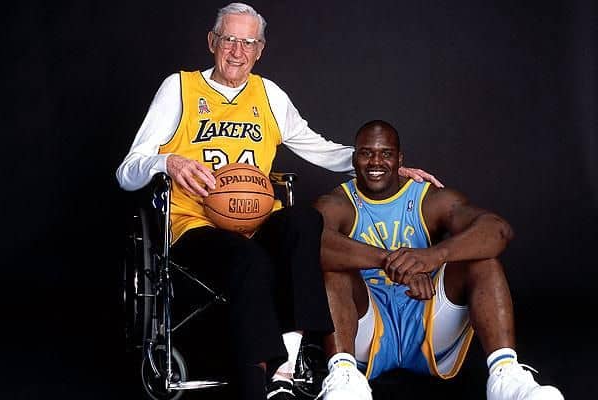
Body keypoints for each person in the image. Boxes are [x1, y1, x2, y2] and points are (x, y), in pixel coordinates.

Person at [115, 4, 440, 400]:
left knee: (304, 221)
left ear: (260, 49)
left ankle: (284, 372)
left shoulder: (269, 95)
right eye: (229, 39)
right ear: (212, 42)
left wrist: (379, 167)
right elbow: (127, 171)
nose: (237, 51)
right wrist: (168, 160)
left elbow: (319, 149)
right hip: (196, 225)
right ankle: (256, 386)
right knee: (248, 259)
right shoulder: (179, 88)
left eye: (248, 42)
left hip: (256, 220)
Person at [313, 120, 564, 400]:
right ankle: (344, 378)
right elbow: (310, 245)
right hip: (364, 332)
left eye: (386, 153)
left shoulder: (428, 199)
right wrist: (395, 263)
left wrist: (433, 257)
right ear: (354, 157)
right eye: (366, 152)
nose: (376, 161)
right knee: (333, 268)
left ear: (400, 159)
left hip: (430, 328)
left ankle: (505, 376)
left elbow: (498, 230)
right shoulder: (337, 202)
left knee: (482, 259)